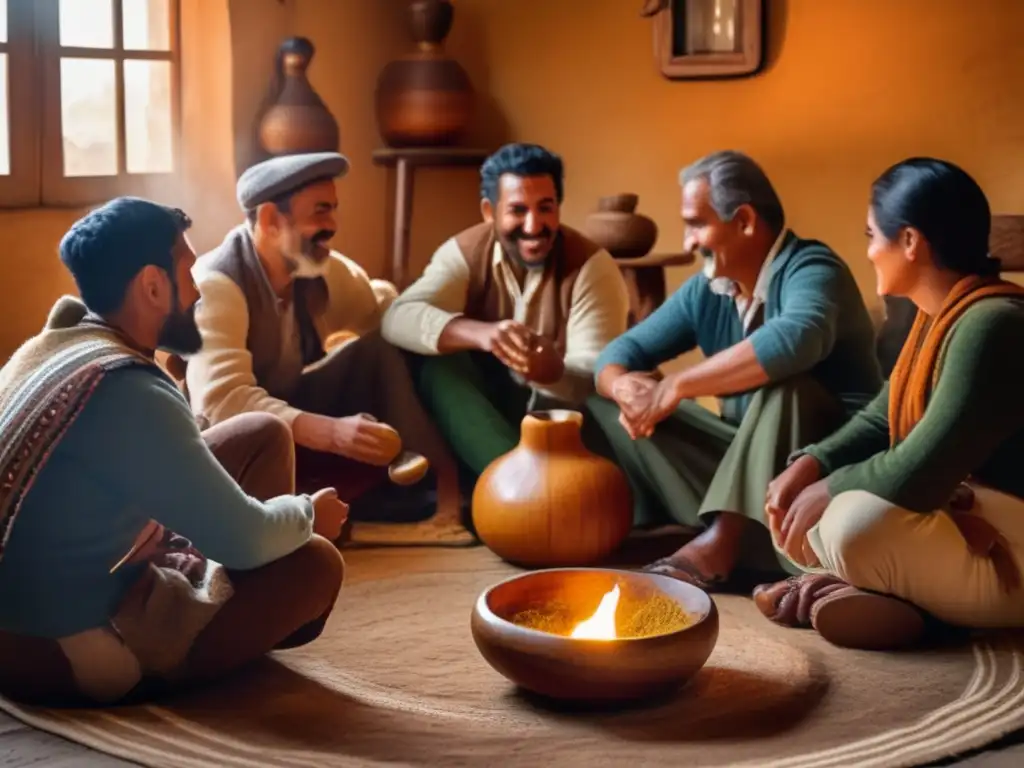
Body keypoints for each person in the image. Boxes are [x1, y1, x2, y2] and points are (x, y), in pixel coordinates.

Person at [0, 197, 349, 708]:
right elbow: (246, 540)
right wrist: (308, 514)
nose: (198, 290)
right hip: (60, 648)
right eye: (188, 273)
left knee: (263, 432)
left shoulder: (54, 345)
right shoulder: (131, 390)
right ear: (152, 285)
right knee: (316, 563)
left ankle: (214, 590)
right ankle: (173, 665)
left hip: (41, 596)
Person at [754, 158, 1024, 651]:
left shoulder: (994, 326)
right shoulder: (938, 317)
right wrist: (815, 463)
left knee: (852, 525)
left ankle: (917, 610)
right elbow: (883, 417)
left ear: (910, 242)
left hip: (1013, 547)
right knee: (806, 509)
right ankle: (896, 602)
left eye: (872, 234)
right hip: (976, 520)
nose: (870, 251)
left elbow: (919, 472)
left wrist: (830, 488)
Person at [589, 150, 883, 586]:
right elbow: (617, 354)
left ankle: (723, 542)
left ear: (744, 221)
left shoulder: (812, 268)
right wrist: (625, 389)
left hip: (824, 466)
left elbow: (797, 339)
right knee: (598, 400)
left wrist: (676, 386)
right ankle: (745, 538)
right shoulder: (709, 290)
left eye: (696, 223)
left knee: (787, 387)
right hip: (750, 467)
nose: (688, 241)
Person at [184, 152, 471, 545]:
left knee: (379, 350)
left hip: (293, 419)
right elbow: (222, 403)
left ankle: (441, 495)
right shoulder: (218, 286)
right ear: (270, 220)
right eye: (319, 212)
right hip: (236, 451)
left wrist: (451, 330)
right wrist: (334, 434)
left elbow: (381, 308)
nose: (332, 226)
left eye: (333, 210)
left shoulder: (316, 269)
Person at [381, 143, 630, 478]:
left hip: (568, 427)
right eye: (517, 210)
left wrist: (551, 371)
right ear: (489, 211)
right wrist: (484, 335)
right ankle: (518, 485)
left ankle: (533, 490)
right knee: (437, 365)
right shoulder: (464, 253)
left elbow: (599, 377)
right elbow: (398, 316)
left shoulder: (592, 267)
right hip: (484, 415)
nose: (533, 225)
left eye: (546, 208)